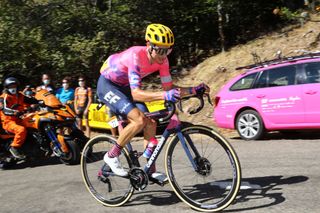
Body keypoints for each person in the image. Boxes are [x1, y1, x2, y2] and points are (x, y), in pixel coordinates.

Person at [97, 23, 209, 182]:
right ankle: (111, 155)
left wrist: (193, 90)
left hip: (125, 86)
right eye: (161, 50)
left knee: (151, 122)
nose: (164, 54)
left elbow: (169, 88)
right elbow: (136, 94)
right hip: (108, 85)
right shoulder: (135, 55)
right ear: (149, 45)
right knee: (139, 119)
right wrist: (165, 95)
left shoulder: (163, 61)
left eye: (168, 50)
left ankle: (149, 170)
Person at [0, 77, 39, 159]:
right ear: (6, 87)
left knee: (33, 123)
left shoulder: (20, 95)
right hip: (8, 122)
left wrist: (40, 101)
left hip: (19, 119)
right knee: (21, 130)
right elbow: (4, 109)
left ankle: (36, 147)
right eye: (10, 86)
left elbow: (30, 100)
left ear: (17, 86)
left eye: (14, 86)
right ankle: (14, 147)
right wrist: (15, 112)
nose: (13, 88)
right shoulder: (4, 97)